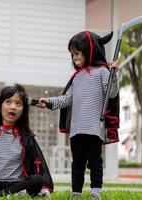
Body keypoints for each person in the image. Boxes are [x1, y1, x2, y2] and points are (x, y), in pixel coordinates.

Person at [37, 31, 120, 200]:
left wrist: (114, 75)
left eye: (77, 53)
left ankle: (96, 194)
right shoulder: (76, 77)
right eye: (72, 54)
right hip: (76, 131)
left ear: (89, 50)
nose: (74, 57)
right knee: (77, 164)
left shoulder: (103, 73)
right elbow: (66, 99)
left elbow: (111, 94)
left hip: (94, 129)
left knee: (95, 162)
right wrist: (49, 102)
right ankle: (76, 194)